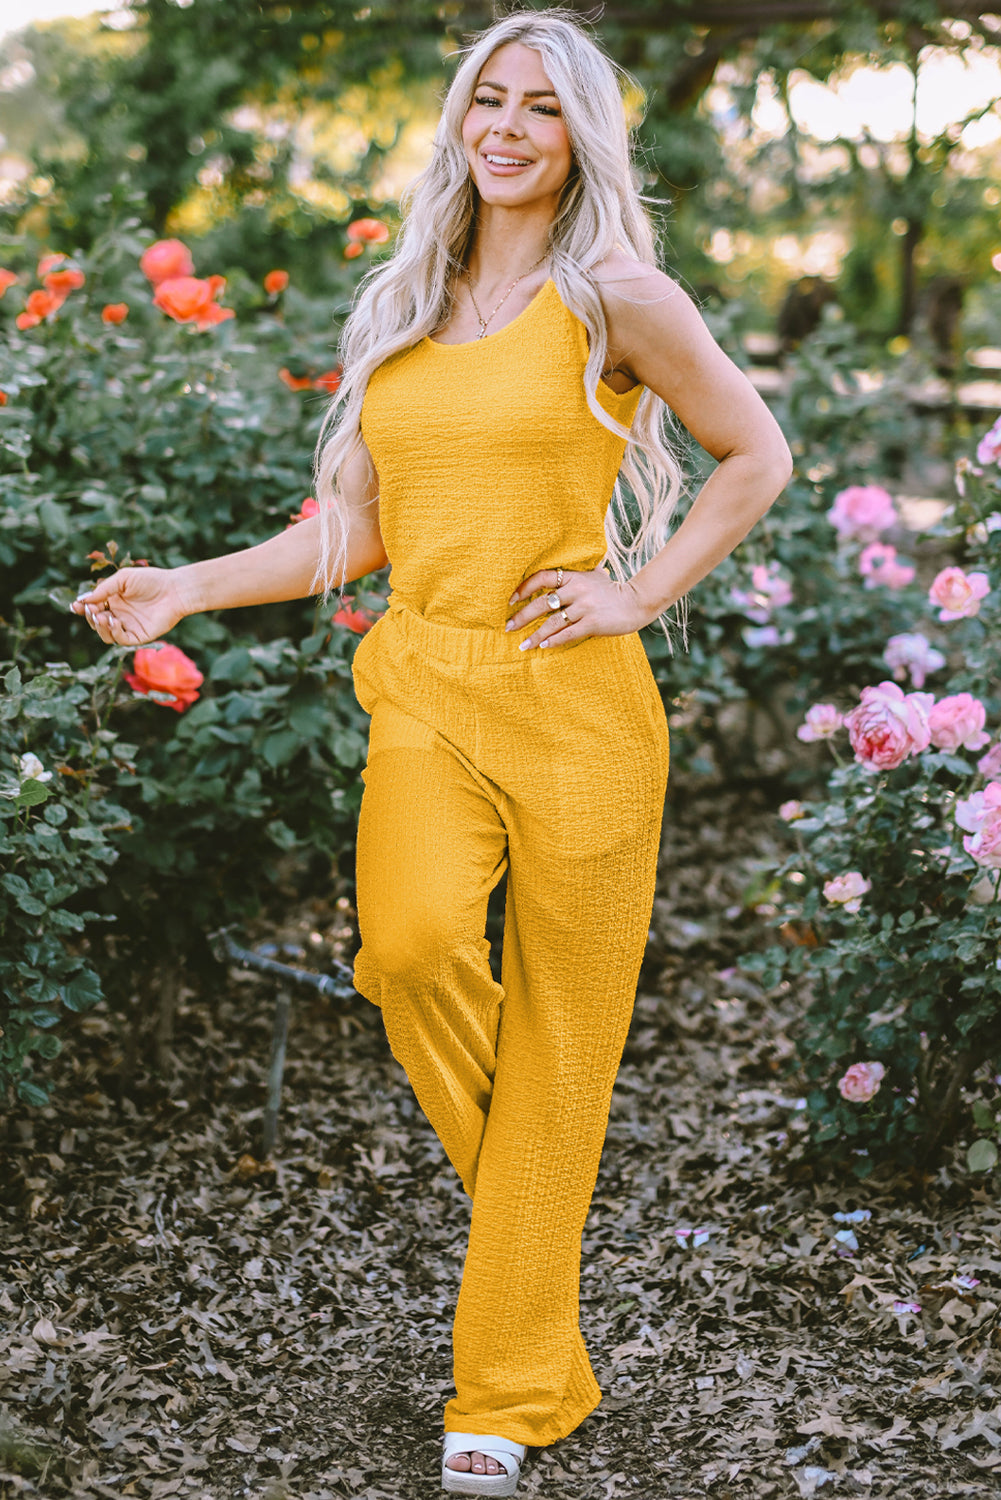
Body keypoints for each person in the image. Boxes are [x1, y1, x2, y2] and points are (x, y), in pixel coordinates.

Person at [73, 8, 792, 1494]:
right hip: (430, 685)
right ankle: (538, 1253)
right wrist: (189, 587)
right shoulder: (402, 303)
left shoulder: (615, 298)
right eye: (488, 99)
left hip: (582, 707)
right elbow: (360, 526)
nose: (508, 127)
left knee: (563, 1054)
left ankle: (510, 1393)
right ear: (460, 121)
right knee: (404, 950)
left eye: (540, 105)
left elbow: (756, 454)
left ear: (579, 132)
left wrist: (638, 590)